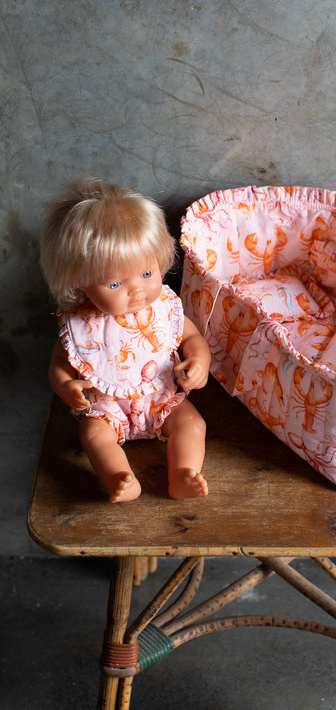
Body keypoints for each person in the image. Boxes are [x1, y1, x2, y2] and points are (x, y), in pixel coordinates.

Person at [40, 179, 211, 502]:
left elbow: (191, 336)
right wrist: (65, 386)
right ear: (80, 282)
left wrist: (199, 362)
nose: (137, 290)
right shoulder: (81, 325)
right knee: (93, 435)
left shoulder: (164, 308)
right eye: (115, 284)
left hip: (160, 396)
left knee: (192, 423)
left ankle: (182, 473)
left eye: (146, 274)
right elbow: (60, 363)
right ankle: (120, 477)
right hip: (107, 408)